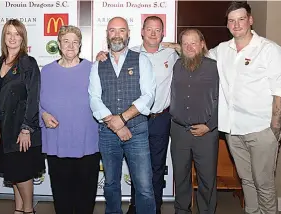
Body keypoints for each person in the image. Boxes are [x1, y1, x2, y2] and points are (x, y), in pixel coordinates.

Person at [208, 2, 281, 213]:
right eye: (231, 20)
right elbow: (197, 53)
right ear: (227, 24)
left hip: (261, 131)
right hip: (233, 131)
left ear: (250, 20)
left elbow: (280, 94)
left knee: (264, 183)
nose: (236, 24)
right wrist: (171, 47)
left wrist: (274, 132)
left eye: (241, 19)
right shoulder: (223, 50)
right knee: (247, 181)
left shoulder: (270, 51)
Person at [96, 16, 179, 214]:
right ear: (141, 31)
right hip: (133, 119)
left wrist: (175, 45)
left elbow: (196, 52)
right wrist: (101, 55)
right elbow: (110, 58)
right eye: (149, 29)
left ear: (162, 33)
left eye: (157, 30)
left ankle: (154, 207)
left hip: (159, 117)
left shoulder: (171, 54)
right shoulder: (129, 53)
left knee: (157, 168)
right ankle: (135, 206)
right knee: (138, 169)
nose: (152, 33)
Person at [89, 16, 157, 214]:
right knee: (110, 185)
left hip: (137, 132)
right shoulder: (98, 64)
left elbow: (149, 96)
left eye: (121, 30)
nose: (116, 34)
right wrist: (115, 124)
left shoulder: (142, 60)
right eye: (112, 30)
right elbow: (94, 98)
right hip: (108, 133)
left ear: (128, 34)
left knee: (144, 187)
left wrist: (123, 119)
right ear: (107, 34)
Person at [40, 25, 100, 214]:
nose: (70, 46)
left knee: (85, 199)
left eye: (75, 42)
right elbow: (36, 102)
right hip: (57, 143)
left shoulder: (92, 69)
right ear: (59, 44)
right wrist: (43, 114)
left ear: (80, 45)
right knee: (62, 197)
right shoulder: (47, 71)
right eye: (66, 41)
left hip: (87, 143)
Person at [0, 19, 44, 214]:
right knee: (13, 173)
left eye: (17, 34)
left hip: (21, 130)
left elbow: (34, 97)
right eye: (9, 33)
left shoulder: (27, 63)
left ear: (23, 38)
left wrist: (26, 129)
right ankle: (19, 209)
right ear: (4, 37)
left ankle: (29, 210)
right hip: (4, 129)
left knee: (22, 174)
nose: (12, 38)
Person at [170, 29, 219, 214]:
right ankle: (181, 211)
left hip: (206, 133)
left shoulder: (214, 67)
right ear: (180, 47)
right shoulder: (175, 66)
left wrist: (210, 125)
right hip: (179, 131)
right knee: (181, 178)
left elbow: (225, 98)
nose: (190, 47)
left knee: (207, 180)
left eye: (194, 43)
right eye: (185, 44)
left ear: (202, 44)